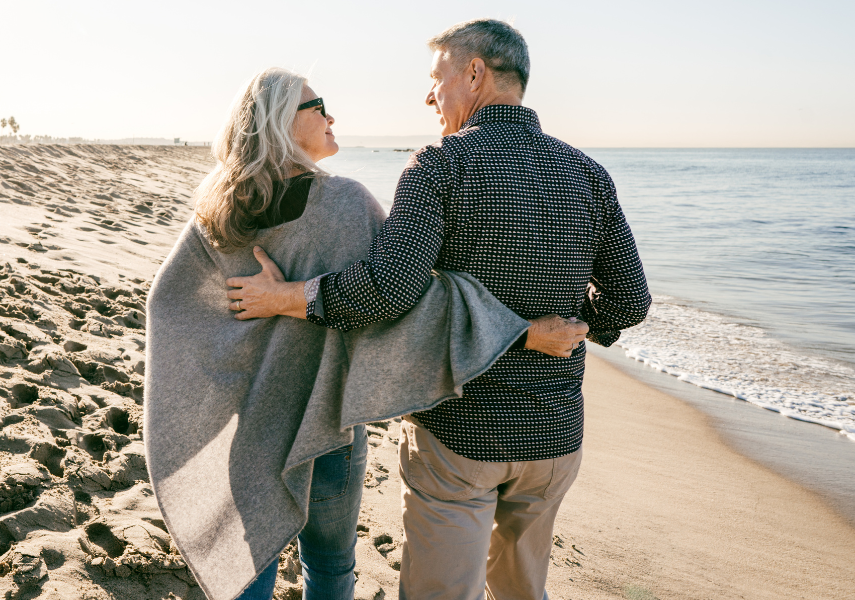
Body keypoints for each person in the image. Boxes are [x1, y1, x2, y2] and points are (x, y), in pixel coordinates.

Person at [225, 20, 651, 600]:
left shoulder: (442, 165)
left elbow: (388, 291)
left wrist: (289, 298)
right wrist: (579, 328)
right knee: (524, 591)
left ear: (474, 74)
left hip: (461, 434)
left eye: (437, 77)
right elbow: (631, 300)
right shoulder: (587, 174)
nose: (430, 95)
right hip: (555, 436)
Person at [145, 66, 590, 600]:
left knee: (249, 560)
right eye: (318, 106)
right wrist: (524, 333)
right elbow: (410, 301)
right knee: (330, 565)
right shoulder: (345, 204)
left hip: (252, 419)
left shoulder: (218, 209)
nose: (331, 115)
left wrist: (235, 357)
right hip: (327, 417)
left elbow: (169, 305)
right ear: (281, 122)